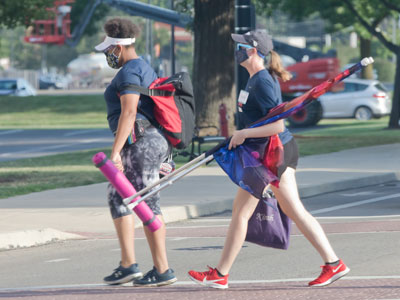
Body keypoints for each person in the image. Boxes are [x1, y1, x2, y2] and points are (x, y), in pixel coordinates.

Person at [188, 30, 350, 289]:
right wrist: (242, 134)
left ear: (252, 50)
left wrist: (244, 133)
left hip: (275, 154)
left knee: (291, 210)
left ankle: (334, 263)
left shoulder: (263, 82)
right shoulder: (253, 80)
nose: (235, 50)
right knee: (241, 212)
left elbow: (277, 126)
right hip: (264, 155)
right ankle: (220, 274)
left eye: (239, 45)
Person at [94, 18, 177, 287]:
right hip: (147, 143)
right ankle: (128, 264)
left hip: (143, 143)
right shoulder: (141, 67)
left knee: (146, 202)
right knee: (118, 196)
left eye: (109, 50)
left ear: (119, 46)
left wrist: (115, 152)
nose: (108, 55)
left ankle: (162, 269)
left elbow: (129, 113)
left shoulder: (130, 72)